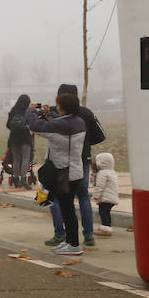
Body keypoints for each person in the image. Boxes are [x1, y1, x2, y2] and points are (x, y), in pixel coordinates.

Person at [45, 83, 106, 248]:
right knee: (83, 197)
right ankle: (89, 235)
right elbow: (101, 135)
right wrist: (84, 144)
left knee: (56, 198)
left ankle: (60, 234)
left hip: (60, 165)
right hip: (83, 162)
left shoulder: (55, 114)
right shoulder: (86, 113)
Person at [26, 93, 87, 255]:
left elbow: (35, 125)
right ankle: (69, 241)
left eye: (58, 106)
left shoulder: (63, 127)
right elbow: (59, 123)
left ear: (64, 108)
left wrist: (31, 111)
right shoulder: (78, 122)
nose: (56, 107)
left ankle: (74, 245)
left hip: (63, 174)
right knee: (67, 208)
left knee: (67, 210)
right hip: (74, 171)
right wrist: (49, 115)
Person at [6, 95, 34, 189]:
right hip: (25, 137)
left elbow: (8, 125)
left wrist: (15, 128)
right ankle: (23, 179)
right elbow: (32, 124)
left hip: (13, 138)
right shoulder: (28, 111)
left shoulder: (13, 111)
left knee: (16, 159)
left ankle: (16, 179)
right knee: (25, 158)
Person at [91, 152, 119, 236]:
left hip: (105, 197)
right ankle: (106, 226)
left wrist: (95, 196)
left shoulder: (102, 173)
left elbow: (99, 186)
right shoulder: (112, 172)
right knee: (106, 212)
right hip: (111, 197)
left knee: (103, 212)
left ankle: (106, 228)